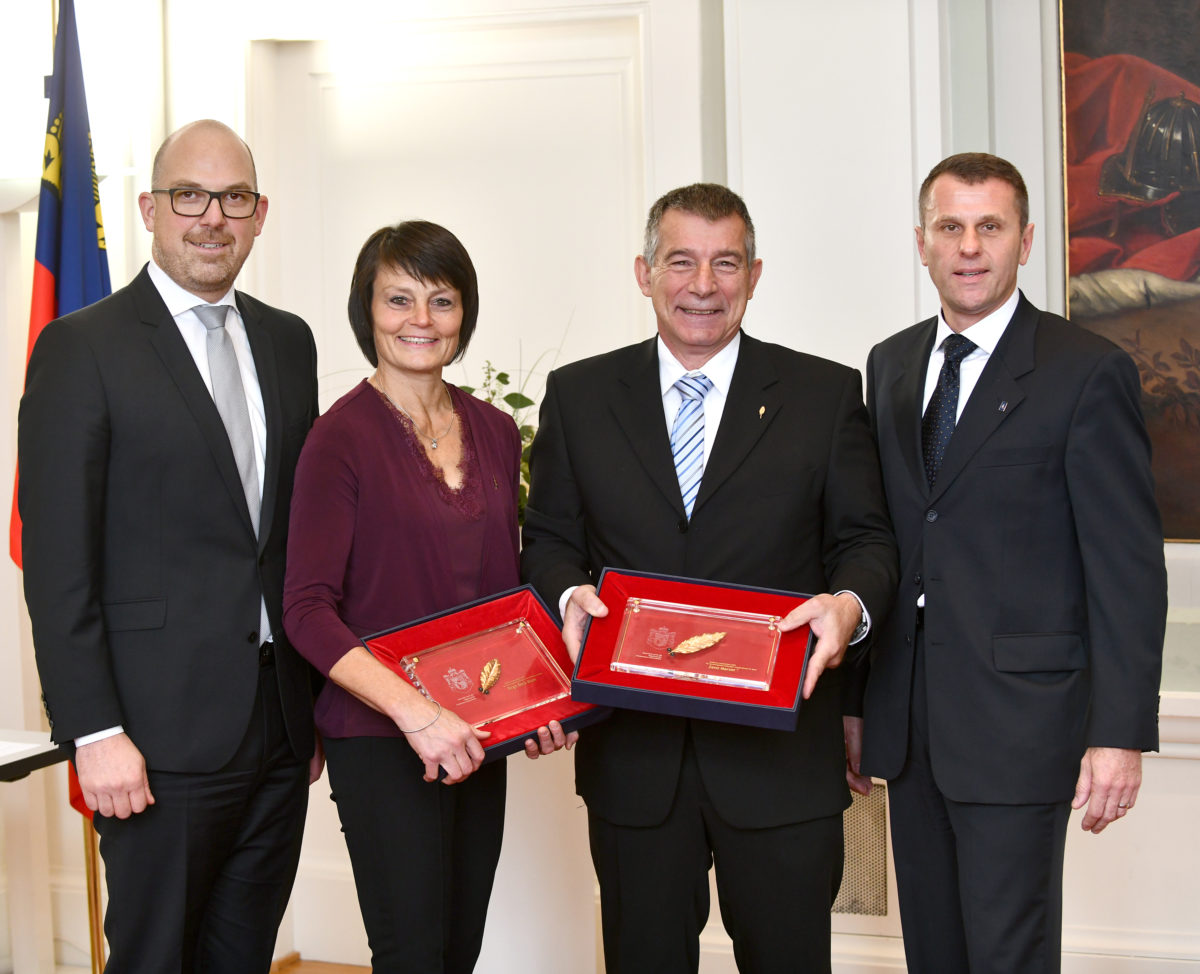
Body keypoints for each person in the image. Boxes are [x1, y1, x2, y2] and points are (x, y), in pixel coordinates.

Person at [520, 183, 898, 974]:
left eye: (725, 263)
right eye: (680, 261)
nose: (702, 285)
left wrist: (849, 608)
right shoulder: (580, 396)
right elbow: (549, 539)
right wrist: (567, 595)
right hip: (634, 761)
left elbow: (865, 541)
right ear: (644, 272)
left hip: (781, 760)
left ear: (754, 276)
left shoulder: (824, 395)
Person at [19, 119, 321, 972]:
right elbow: (59, 565)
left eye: (233, 198)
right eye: (190, 196)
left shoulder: (288, 341)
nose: (212, 217)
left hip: (279, 728)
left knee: (242, 957)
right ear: (151, 209)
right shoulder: (82, 348)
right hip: (151, 737)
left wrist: (312, 707)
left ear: (260, 214)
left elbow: (288, 537)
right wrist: (93, 730)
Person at [855, 152, 1167, 974]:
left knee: (1008, 957)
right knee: (934, 955)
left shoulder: (1086, 371)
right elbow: (878, 544)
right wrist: (856, 707)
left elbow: (1128, 571)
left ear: (1024, 242)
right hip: (909, 726)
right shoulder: (889, 365)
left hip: (1021, 730)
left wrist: (1119, 734)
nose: (969, 247)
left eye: (989, 227)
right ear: (921, 242)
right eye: (950, 227)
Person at [282, 220, 574, 973]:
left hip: (478, 730)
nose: (421, 319)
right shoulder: (337, 439)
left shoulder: (497, 430)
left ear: (463, 313)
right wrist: (417, 714)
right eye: (399, 299)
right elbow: (306, 610)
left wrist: (541, 703)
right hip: (383, 736)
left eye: (441, 300)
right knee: (412, 954)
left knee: (457, 949)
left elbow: (506, 592)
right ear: (367, 310)